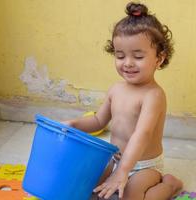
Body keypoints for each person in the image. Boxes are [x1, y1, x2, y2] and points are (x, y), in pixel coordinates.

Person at [63, 2, 183, 200]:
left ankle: (169, 185)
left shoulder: (153, 95)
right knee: (87, 186)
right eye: (120, 55)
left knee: (131, 196)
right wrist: (73, 124)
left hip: (144, 164)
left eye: (138, 56)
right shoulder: (116, 89)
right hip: (115, 158)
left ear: (159, 59)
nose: (127, 63)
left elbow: (142, 134)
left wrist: (123, 171)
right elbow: (98, 121)